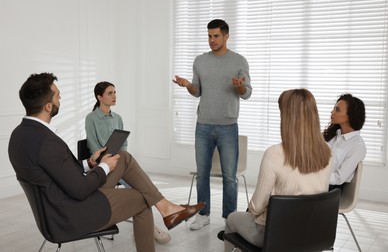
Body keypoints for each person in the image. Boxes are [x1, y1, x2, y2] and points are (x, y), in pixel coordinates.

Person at [8, 73, 205, 252]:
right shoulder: (47, 142)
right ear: (48, 106)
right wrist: (104, 167)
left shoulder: (20, 134)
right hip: (71, 214)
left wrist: (90, 163)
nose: (61, 99)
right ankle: (167, 209)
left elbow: (60, 171)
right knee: (141, 198)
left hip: (59, 206)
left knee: (123, 156)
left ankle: (166, 207)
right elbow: (79, 189)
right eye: (57, 96)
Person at [223, 89, 332, 250]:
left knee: (232, 218)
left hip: (275, 235)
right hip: (312, 234)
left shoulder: (275, 154)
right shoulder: (327, 152)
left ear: (288, 118)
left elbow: (256, 207)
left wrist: (258, 209)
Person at [172, 19, 252, 230]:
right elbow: (197, 91)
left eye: (216, 36)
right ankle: (204, 214)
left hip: (228, 126)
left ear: (226, 36)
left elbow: (247, 93)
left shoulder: (239, 61)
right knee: (202, 174)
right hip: (203, 126)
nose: (212, 40)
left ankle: (229, 218)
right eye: (209, 36)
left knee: (229, 177)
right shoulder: (200, 61)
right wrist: (188, 85)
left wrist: (240, 87)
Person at [85, 81, 171, 244]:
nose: (114, 96)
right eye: (110, 93)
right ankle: (153, 224)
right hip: (102, 165)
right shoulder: (91, 118)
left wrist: (119, 158)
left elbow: (123, 145)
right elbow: (93, 146)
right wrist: (108, 159)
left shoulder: (118, 118)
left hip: (119, 161)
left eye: (115, 92)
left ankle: (151, 225)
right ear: (99, 97)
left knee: (136, 181)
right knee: (139, 185)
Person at [323, 94, 366, 192]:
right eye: (334, 108)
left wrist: (315, 177)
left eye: (337, 110)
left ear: (350, 116)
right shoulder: (332, 135)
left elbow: (338, 178)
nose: (332, 112)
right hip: (316, 182)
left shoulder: (358, 146)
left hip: (330, 189)